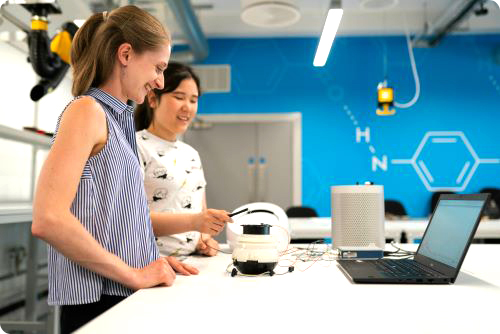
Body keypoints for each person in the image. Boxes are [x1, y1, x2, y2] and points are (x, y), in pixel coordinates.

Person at [31, 6, 230, 333]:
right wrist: (134, 274)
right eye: (158, 67)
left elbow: (115, 220)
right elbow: (49, 219)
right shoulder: (87, 111)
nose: (160, 80)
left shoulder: (118, 121)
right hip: (97, 302)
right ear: (125, 54)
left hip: (120, 293)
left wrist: (150, 260)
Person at [135, 62, 223, 258]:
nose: (188, 107)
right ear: (152, 99)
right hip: (151, 262)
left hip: (191, 263)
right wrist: (195, 222)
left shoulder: (191, 154)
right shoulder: (136, 146)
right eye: (179, 97)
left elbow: (201, 212)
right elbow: (131, 219)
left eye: (193, 100)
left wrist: (205, 239)